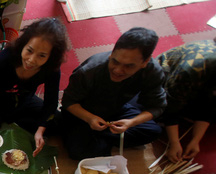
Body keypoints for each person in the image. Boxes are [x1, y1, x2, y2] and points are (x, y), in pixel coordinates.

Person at [0, 17, 69, 156]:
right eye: (29, 50)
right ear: (24, 44)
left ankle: (4, 123)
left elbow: (51, 103)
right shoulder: (5, 58)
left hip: (21, 103)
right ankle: (1, 123)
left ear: (50, 57)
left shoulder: (52, 69)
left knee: (57, 121)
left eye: (42, 56)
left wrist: (40, 131)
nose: (31, 60)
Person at [61, 27, 166, 160]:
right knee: (77, 152)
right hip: (84, 112)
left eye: (129, 66)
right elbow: (68, 102)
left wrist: (130, 123)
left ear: (145, 62)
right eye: (115, 61)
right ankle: (102, 137)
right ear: (112, 53)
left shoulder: (153, 71)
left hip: (117, 108)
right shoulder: (89, 71)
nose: (117, 70)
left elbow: (157, 106)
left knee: (153, 131)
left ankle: (99, 137)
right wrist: (90, 118)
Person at [157, 39, 216, 162]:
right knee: (156, 110)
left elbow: (209, 104)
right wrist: (174, 143)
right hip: (168, 77)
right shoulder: (192, 69)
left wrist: (195, 140)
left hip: (200, 84)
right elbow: (171, 104)